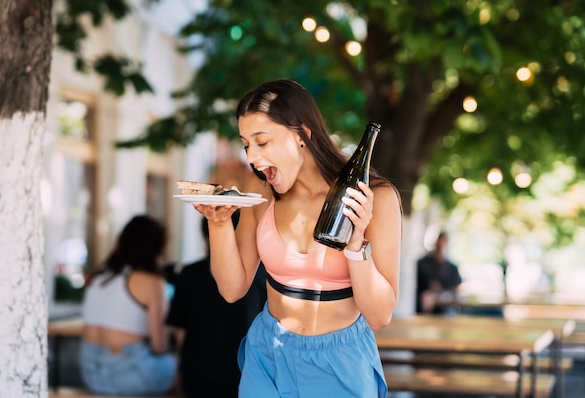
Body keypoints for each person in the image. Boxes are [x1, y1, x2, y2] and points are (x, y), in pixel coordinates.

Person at [193, 79, 402, 398]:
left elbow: (380, 315)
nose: (253, 158)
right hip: (268, 354)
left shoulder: (374, 198)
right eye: (246, 144)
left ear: (302, 135)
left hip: (339, 360)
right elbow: (232, 289)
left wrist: (356, 243)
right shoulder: (259, 189)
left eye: (262, 142)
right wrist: (218, 224)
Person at [166, 212, 267, 398]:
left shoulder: (189, 274)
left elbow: (180, 334)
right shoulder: (265, 277)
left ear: (206, 236)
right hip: (243, 370)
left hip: (198, 372)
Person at [79, 215, 176, 396]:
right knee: (181, 366)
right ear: (156, 247)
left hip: (90, 372)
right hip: (130, 373)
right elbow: (160, 346)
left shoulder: (100, 278)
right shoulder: (152, 282)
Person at [415, 232, 462, 315]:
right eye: (439, 245)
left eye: (443, 245)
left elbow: (457, 290)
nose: (440, 248)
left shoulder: (453, 269)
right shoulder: (423, 264)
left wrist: (441, 296)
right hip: (426, 313)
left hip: (446, 312)